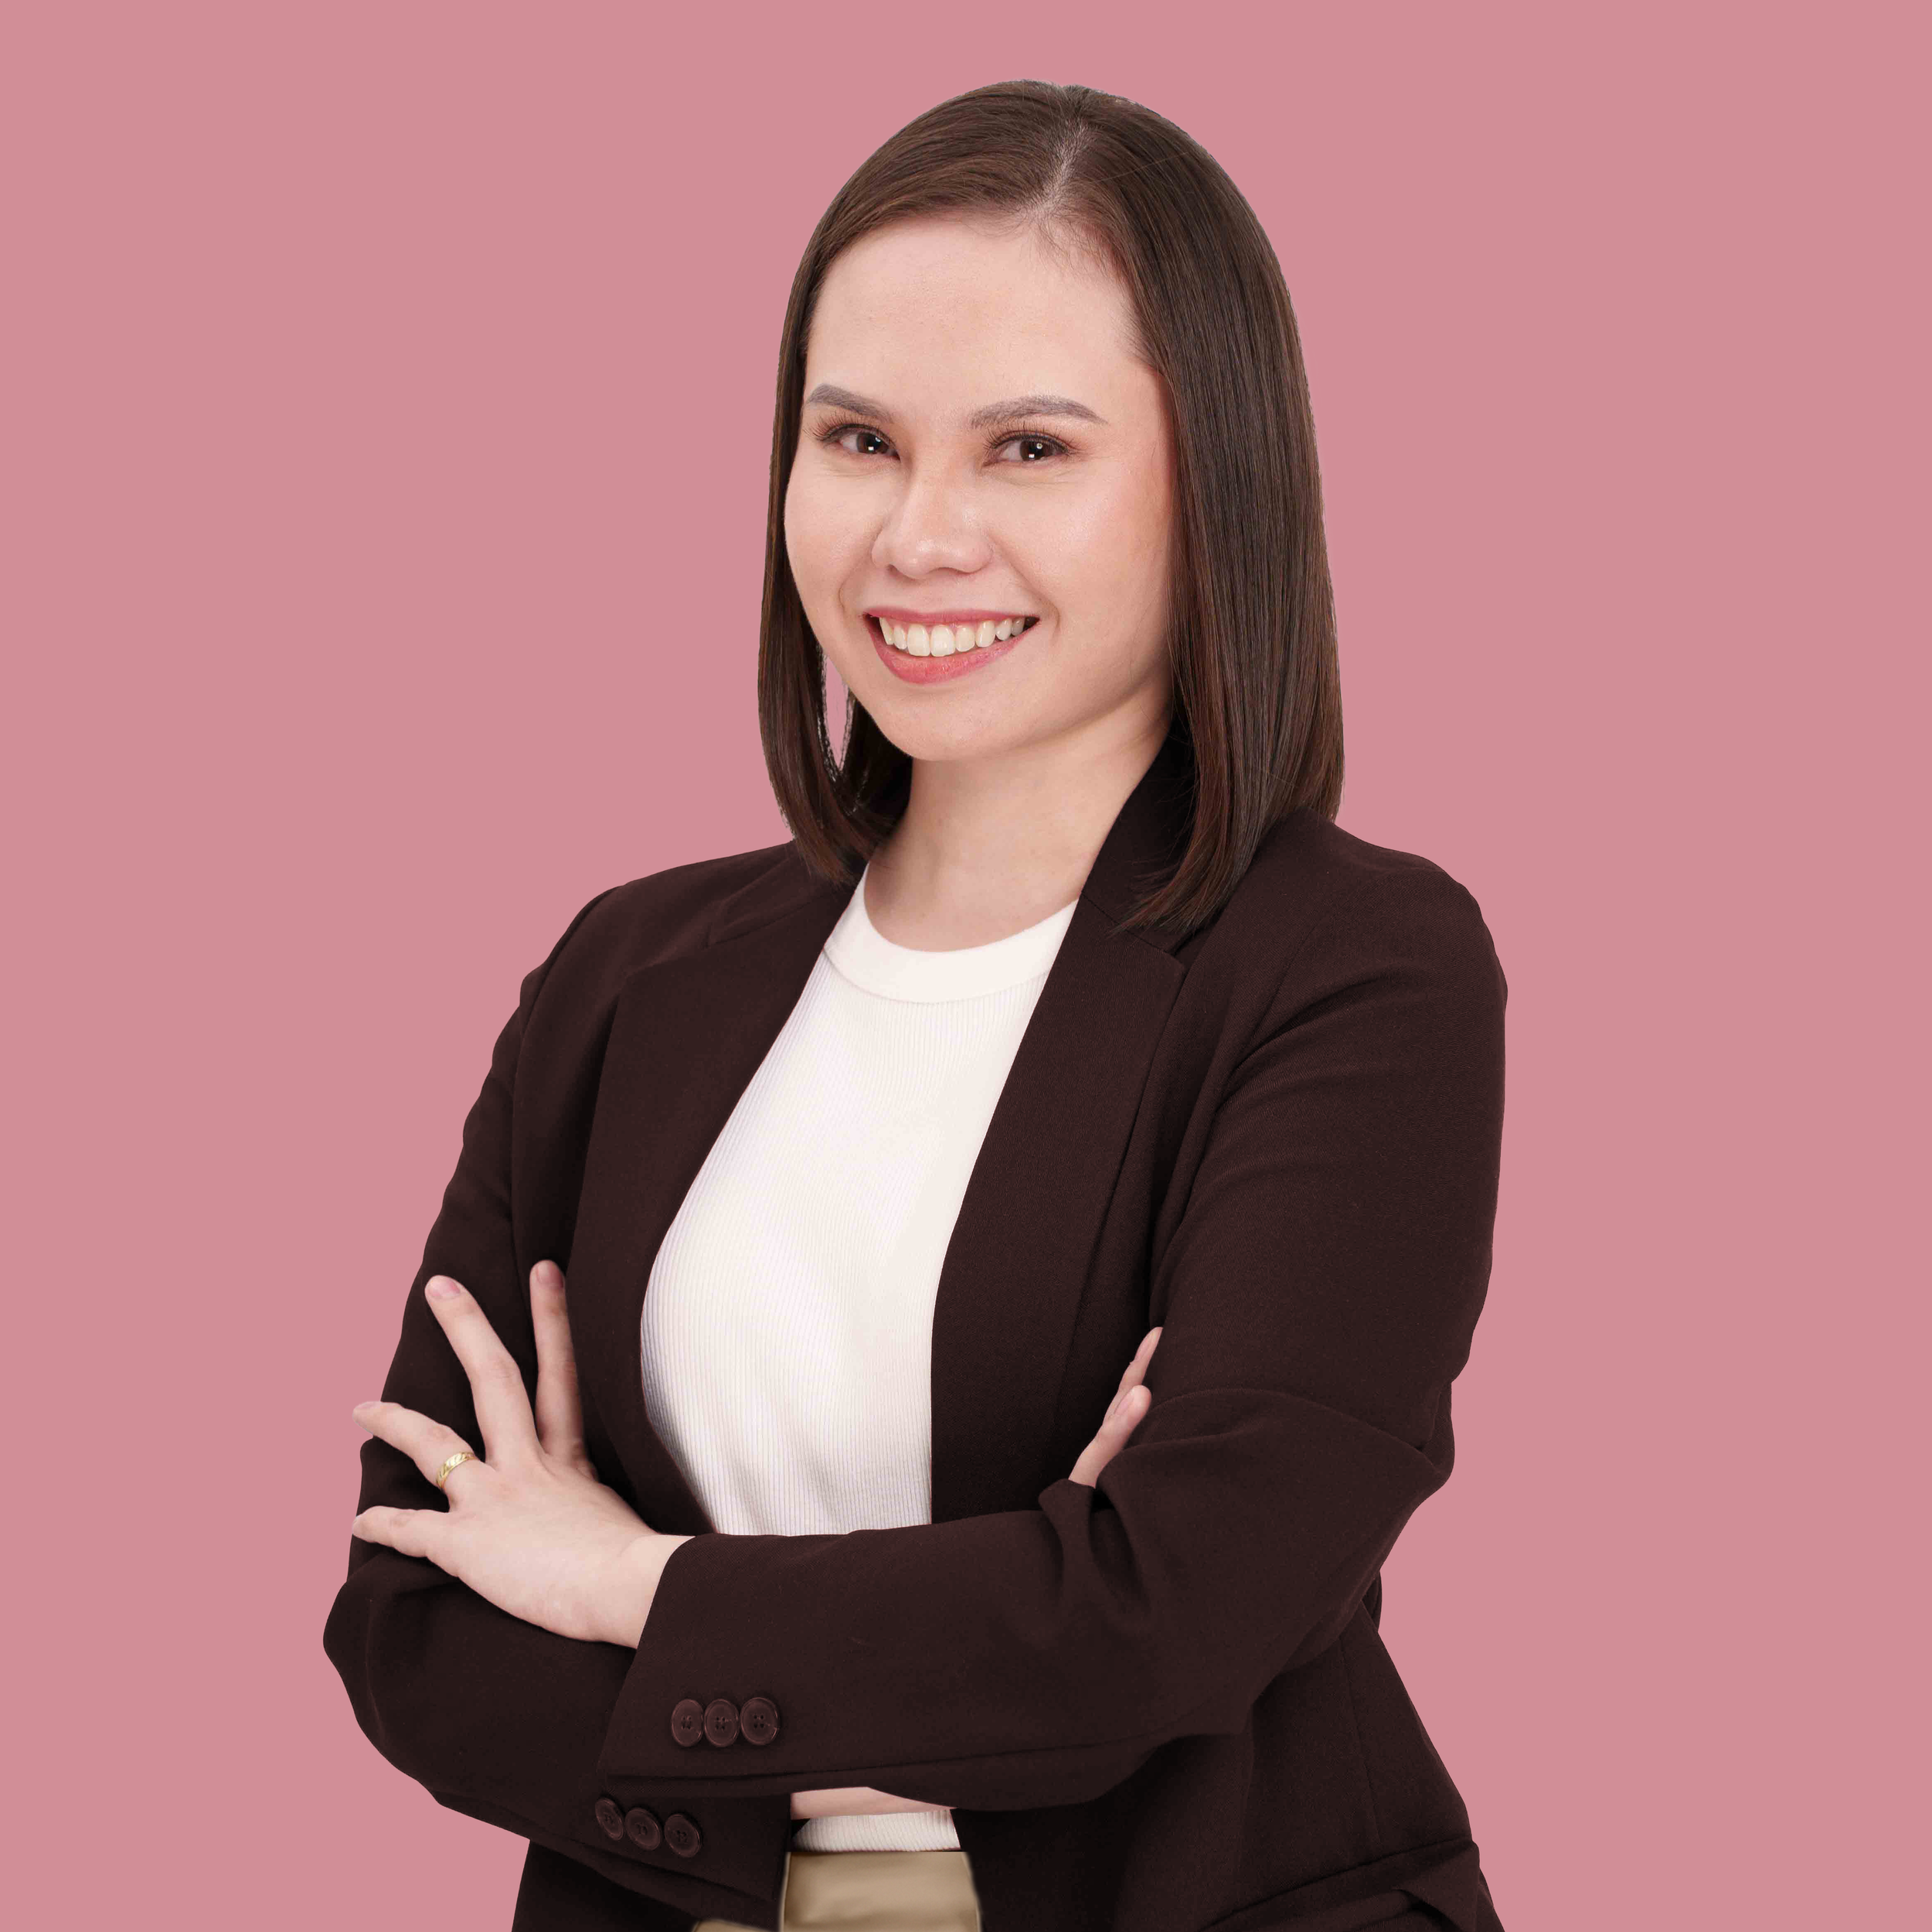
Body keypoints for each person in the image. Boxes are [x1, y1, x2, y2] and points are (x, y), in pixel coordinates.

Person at [324, 79, 1509, 1932]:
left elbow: (1167, 1618)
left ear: (1218, 481)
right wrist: (984, 1628)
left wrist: (627, 1581)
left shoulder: (1356, 973)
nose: (916, 535)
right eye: (857, 438)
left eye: (1027, 450)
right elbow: (412, 1615)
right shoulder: (631, 975)